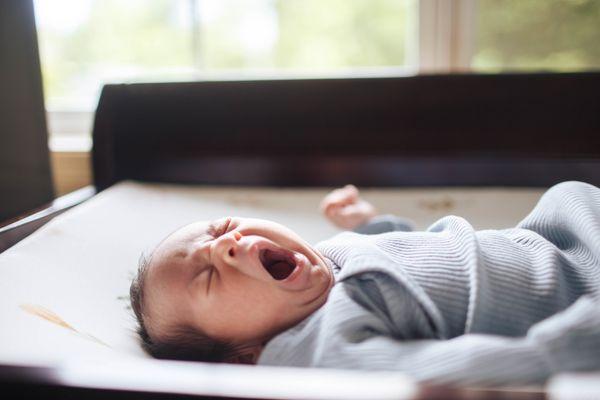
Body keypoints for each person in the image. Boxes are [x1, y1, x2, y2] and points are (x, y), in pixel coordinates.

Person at [130, 181, 600, 386]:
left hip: (555, 231)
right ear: (243, 358)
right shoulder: (318, 348)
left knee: (567, 193)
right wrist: (564, 351)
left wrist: (370, 222)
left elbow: (396, 252)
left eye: (220, 227)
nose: (228, 243)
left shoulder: (313, 262)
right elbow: (440, 373)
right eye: (208, 276)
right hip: (576, 292)